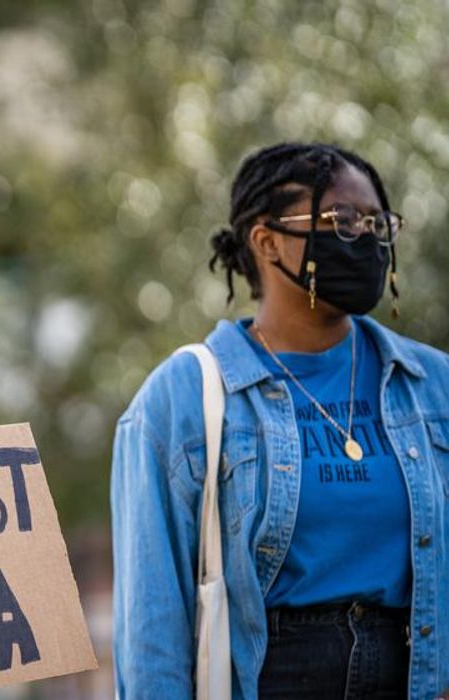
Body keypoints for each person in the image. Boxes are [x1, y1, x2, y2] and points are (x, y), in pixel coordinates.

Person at [111, 142, 449, 699]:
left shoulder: (431, 386)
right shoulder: (182, 400)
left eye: (377, 222)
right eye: (341, 220)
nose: (365, 238)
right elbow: (152, 635)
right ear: (266, 241)